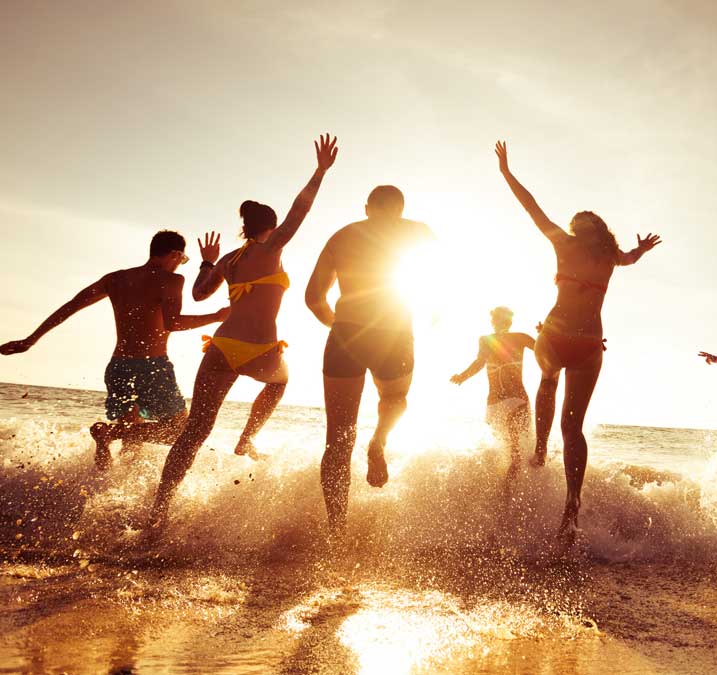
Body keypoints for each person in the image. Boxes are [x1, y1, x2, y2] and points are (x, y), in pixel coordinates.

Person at [147, 133, 338, 529]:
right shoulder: (271, 250)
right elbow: (299, 213)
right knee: (280, 383)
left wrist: (205, 262)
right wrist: (319, 172)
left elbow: (200, 295)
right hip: (259, 348)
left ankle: (159, 507)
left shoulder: (230, 260)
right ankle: (247, 437)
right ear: (269, 227)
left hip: (221, 347)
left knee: (195, 432)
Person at [494, 140, 661, 538]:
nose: (578, 221)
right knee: (573, 428)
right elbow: (630, 259)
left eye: (581, 218)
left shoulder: (565, 244)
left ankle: (539, 453)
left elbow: (532, 208)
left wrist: (505, 172)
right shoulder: (610, 255)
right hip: (589, 343)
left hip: (556, 335)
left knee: (549, 383)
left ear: (587, 228)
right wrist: (639, 249)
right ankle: (572, 499)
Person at [0, 231, 229, 470]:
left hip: (118, 367)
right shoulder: (171, 280)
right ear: (174, 254)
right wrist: (216, 316)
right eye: (183, 260)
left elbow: (71, 306)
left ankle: (117, 495)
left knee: (132, 438)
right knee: (177, 432)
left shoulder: (116, 279)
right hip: (151, 368)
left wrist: (31, 339)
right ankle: (109, 433)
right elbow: (173, 323)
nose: (180, 266)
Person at [305, 184, 436, 530]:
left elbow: (313, 297)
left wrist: (339, 326)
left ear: (367, 207)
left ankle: (337, 530)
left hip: (346, 333)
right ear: (401, 208)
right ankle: (378, 440)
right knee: (394, 397)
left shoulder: (342, 236)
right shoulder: (418, 232)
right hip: (394, 333)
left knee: (338, 439)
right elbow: (439, 279)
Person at [450, 306, 535, 477]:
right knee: (521, 444)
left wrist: (462, 377)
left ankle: (506, 490)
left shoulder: (486, 340)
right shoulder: (521, 337)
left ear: (494, 321)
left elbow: (480, 363)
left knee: (508, 445)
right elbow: (547, 350)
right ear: (509, 321)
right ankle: (521, 484)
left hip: (495, 402)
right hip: (516, 397)